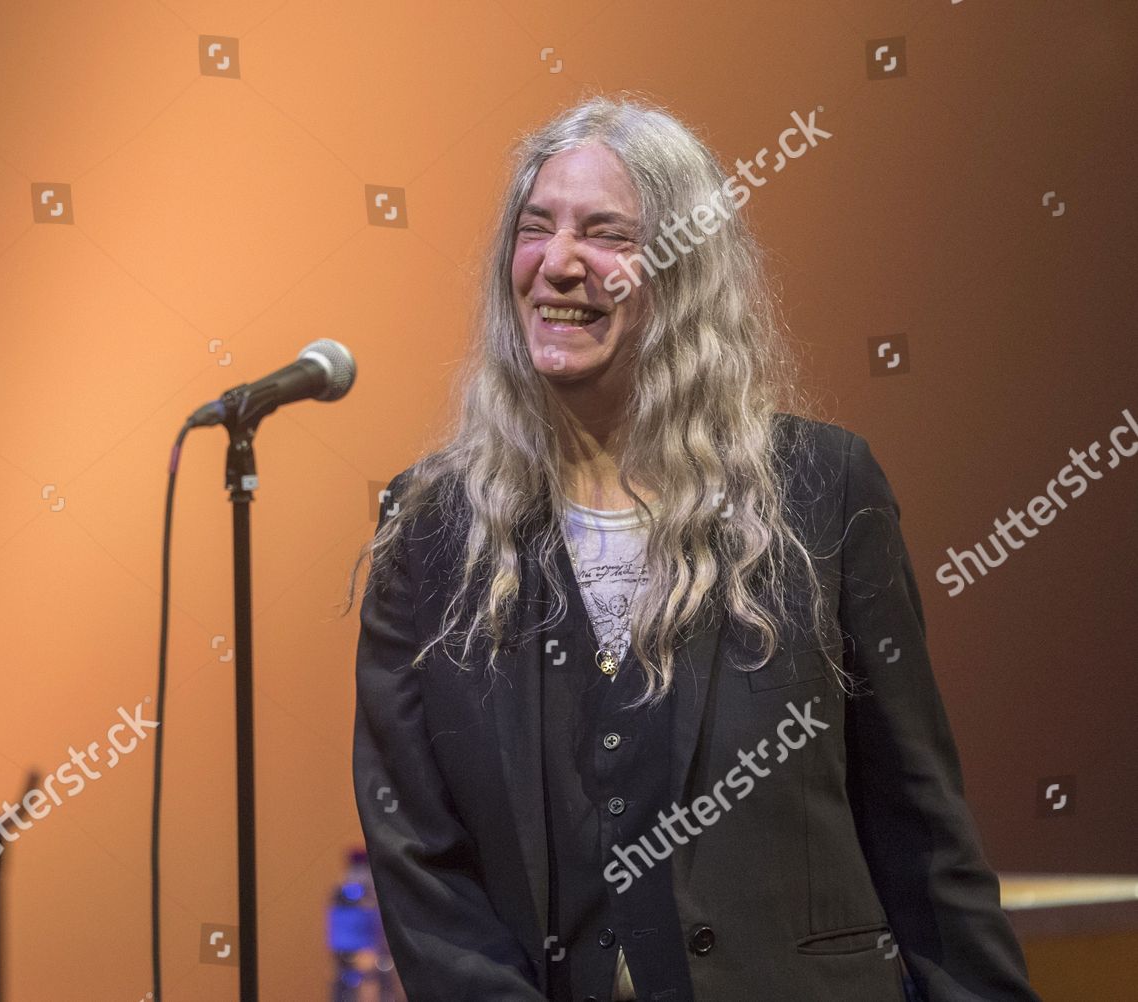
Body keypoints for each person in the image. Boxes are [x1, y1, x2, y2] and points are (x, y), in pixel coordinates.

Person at [342, 94, 1041, 1002]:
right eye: (536, 228)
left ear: (684, 268)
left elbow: (922, 829)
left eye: (605, 234)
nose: (558, 264)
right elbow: (420, 866)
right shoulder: (435, 530)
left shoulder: (823, 492)